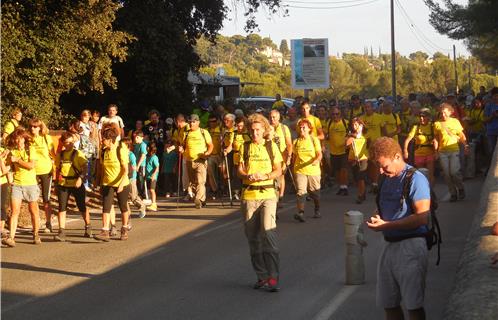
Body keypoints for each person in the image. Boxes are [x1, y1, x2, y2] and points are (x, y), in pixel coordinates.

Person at [367, 137, 431, 320]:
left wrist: (387, 225)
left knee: (413, 304)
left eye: (384, 166)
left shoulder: (415, 179)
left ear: (397, 156)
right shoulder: (386, 178)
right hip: (389, 245)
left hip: (410, 247)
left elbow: (422, 217)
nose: (381, 170)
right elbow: (385, 205)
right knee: (389, 303)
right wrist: (378, 216)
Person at [238, 113, 282, 292]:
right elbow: (240, 169)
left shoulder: (271, 146)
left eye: (258, 130)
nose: (255, 133)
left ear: (264, 130)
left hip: (268, 194)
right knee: (253, 239)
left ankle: (273, 277)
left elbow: (278, 170)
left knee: (268, 234)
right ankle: (262, 276)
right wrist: (246, 175)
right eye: (252, 130)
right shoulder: (245, 147)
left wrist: (265, 175)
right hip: (249, 196)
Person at [2, 128, 41, 247]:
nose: (19, 141)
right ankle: (11, 238)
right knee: (14, 212)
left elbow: (31, 166)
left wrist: (17, 160)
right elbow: (7, 169)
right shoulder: (13, 152)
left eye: (20, 139)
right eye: (16, 139)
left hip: (31, 184)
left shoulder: (31, 150)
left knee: (33, 211)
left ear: (24, 138)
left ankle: (36, 234)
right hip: (17, 184)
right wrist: (2, 158)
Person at [94, 126, 131, 241]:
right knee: (106, 207)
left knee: (123, 206)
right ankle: (105, 231)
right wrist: (98, 182)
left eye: (104, 139)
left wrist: (120, 184)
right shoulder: (103, 150)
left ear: (110, 140)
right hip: (107, 183)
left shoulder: (121, 149)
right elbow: (101, 168)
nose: (101, 140)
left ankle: (124, 229)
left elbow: (126, 169)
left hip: (122, 182)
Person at [53, 131, 92, 241]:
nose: (69, 145)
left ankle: (88, 226)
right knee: (62, 207)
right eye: (66, 143)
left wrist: (80, 179)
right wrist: (56, 184)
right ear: (63, 143)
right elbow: (57, 169)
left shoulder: (78, 153)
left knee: (81, 206)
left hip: (76, 183)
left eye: (71, 142)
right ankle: (61, 231)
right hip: (63, 184)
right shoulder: (60, 155)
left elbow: (85, 167)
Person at [434, 103, 469, 202]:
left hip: (454, 150)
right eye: (441, 113)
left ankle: (460, 187)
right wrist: (436, 151)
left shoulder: (455, 122)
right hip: (442, 152)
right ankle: (453, 193)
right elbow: (436, 138)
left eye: (445, 113)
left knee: (454, 172)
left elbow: (461, 135)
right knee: (447, 174)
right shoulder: (437, 124)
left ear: (450, 112)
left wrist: (465, 145)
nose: (443, 115)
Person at [179, 114, 213, 209]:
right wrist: (181, 150)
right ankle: (202, 200)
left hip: (200, 160)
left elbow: (210, 145)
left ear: (198, 122)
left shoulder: (203, 132)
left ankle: (198, 199)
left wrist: (207, 153)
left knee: (200, 181)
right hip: (189, 160)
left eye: (193, 121)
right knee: (193, 182)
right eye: (190, 121)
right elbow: (183, 145)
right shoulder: (186, 133)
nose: (191, 123)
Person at [29, 119, 56, 233]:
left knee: (46, 198)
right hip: (32, 171)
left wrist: (55, 170)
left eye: (35, 127)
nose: (32, 129)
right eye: (31, 127)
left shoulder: (46, 138)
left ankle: (48, 223)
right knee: (32, 198)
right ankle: (35, 223)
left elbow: (54, 155)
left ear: (40, 127)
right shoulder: (29, 139)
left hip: (46, 170)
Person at [292, 118, 322, 221]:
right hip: (300, 171)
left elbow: (319, 154)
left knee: (314, 193)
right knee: (301, 192)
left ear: (309, 129)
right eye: (300, 128)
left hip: (313, 171)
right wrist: (292, 168)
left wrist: (317, 160)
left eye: (304, 128)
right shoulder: (296, 142)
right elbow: (294, 157)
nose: (302, 130)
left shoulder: (314, 140)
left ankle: (317, 209)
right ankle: (301, 213)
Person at [404, 108, 437, 186]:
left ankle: (431, 192)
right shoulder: (416, 127)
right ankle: (424, 190)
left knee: (430, 174)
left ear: (428, 117)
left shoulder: (432, 126)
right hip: (418, 153)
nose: (422, 118)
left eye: (424, 116)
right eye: (420, 116)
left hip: (430, 153)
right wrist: (405, 151)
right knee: (421, 175)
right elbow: (407, 140)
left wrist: (436, 152)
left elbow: (436, 139)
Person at [269, 110, 292, 206]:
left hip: (282, 157)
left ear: (278, 118)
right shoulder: (267, 128)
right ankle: (273, 197)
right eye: (270, 117)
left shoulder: (284, 128)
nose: (272, 119)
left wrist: (289, 157)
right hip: (270, 157)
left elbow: (289, 144)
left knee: (281, 177)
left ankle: (280, 197)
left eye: (274, 117)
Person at [361, 101, 384, 194]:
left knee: (377, 164)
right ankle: (373, 183)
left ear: (373, 108)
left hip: (376, 144)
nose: (367, 109)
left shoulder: (379, 117)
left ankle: (376, 183)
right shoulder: (361, 118)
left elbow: (383, 131)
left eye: (369, 107)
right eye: (365, 107)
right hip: (365, 145)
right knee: (369, 165)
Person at [326, 106, 349, 196]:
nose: (335, 116)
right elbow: (326, 135)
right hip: (333, 151)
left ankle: (345, 187)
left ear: (340, 114)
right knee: (337, 171)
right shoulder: (329, 123)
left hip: (343, 151)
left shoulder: (345, 123)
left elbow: (351, 134)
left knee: (344, 170)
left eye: (337, 114)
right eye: (333, 114)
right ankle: (341, 187)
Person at [121, 137, 146, 218]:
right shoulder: (121, 154)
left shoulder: (131, 155)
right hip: (123, 178)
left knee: (133, 197)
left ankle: (142, 206)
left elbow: (134, 168)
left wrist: (128, 170)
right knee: (124, 197)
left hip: (131, 178)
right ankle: (127, 213)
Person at [346, 118, 369, 204]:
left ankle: (361, 195)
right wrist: (353, 136)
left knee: (361, 177)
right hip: (353, 158)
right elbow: (347, 144)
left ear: (361, 125)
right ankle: (362, 192)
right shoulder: (351, 134)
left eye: (356, 125)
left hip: (363, 158)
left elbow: (369, 146)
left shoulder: (366, 135)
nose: (354, 126)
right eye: (353, 125)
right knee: (357, 178)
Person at [80, 109, 99, 191]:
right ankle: (83, 184)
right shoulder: (80, 124)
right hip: (82, 147)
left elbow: (91, 136)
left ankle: (86, 183)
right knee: (83, 166)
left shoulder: (88, 125)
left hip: (88, 148)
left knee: (88, 166)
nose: (86, 118)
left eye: (88, 117)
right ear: (82, 116)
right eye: (85, 117)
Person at [207, 114, 222, 199]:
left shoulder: (220, 130)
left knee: (223, 173)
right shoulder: (206, 130)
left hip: (220, 155)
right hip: (211, 155)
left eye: (214, 121)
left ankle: (223, 188)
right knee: (211, 172)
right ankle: (215, 190)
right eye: (210, 121)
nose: (212, 123)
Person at [483, 87, 498, 157]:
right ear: (492, 96)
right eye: (495, 96)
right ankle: (491, 166)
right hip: (491, 131)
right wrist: (492, 116)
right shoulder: (488, 105)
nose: (496, 97)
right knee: (492, 150)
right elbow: (485, 120)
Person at [145, 143, 160, 211]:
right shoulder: (147, 156)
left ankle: (154, 204)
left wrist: (154, 175)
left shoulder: (154, 157)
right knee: (149, 190)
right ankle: (151, 203)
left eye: (148, 147)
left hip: (153, 177)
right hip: (148, 176)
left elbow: (157, 167)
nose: (147, 149)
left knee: (152, 190)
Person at [0, 147, 11, 240]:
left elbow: (5, 169)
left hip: (3, 182)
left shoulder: (4, 150)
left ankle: (1, 228)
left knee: (3, 206)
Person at [133, 131, 148, 198]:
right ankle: (138, 194)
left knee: (141, 180)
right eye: (135, 137)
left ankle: (144, 195)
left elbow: (143, 155)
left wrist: (138, 165)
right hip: (136, 165)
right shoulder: (136, 145)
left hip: (141, 165)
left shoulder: (143, 145)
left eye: (137, 137)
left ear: (142, 138)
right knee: (137, 180)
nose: (136, 138)